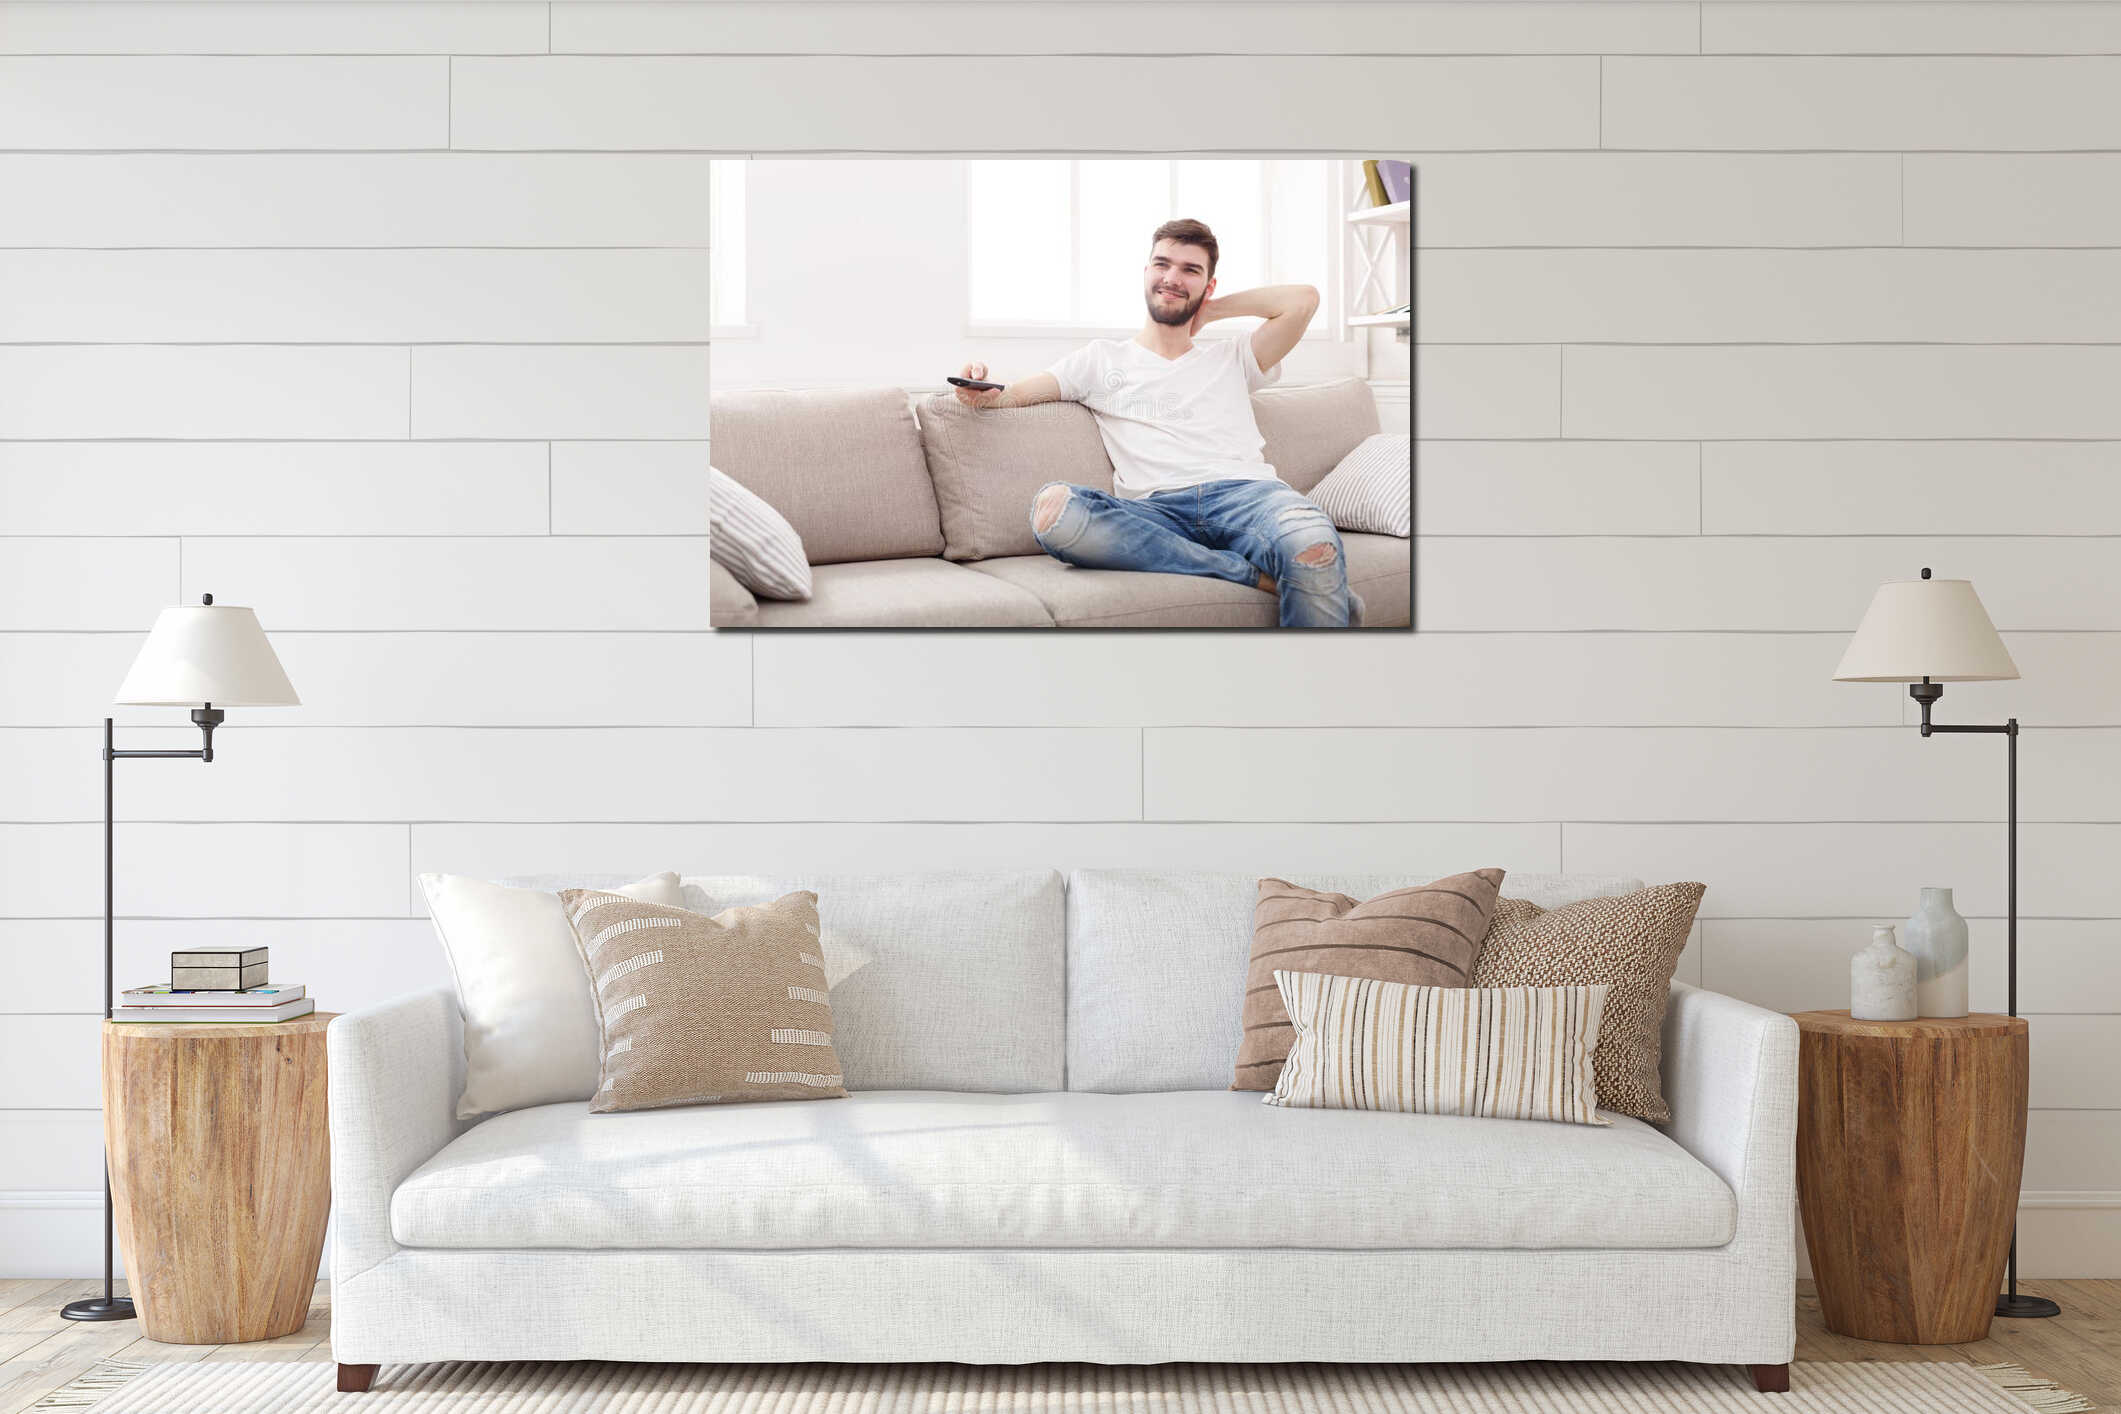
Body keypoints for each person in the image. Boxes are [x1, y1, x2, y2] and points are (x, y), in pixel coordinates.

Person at [955, 218, 1358, 628]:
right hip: (1155, 512)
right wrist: (983, 392)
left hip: (1250, 498)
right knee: (1055, 513)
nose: (1171, 277)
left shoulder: (1234, 357)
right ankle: (1248, 574)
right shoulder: (1099, 360)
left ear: (1209, 285)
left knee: (1314, 544)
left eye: (1190, 270)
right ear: (1145, 272)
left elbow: (1303, 299)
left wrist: (1211, 311)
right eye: (1162, 264)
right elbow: (1014, 394)